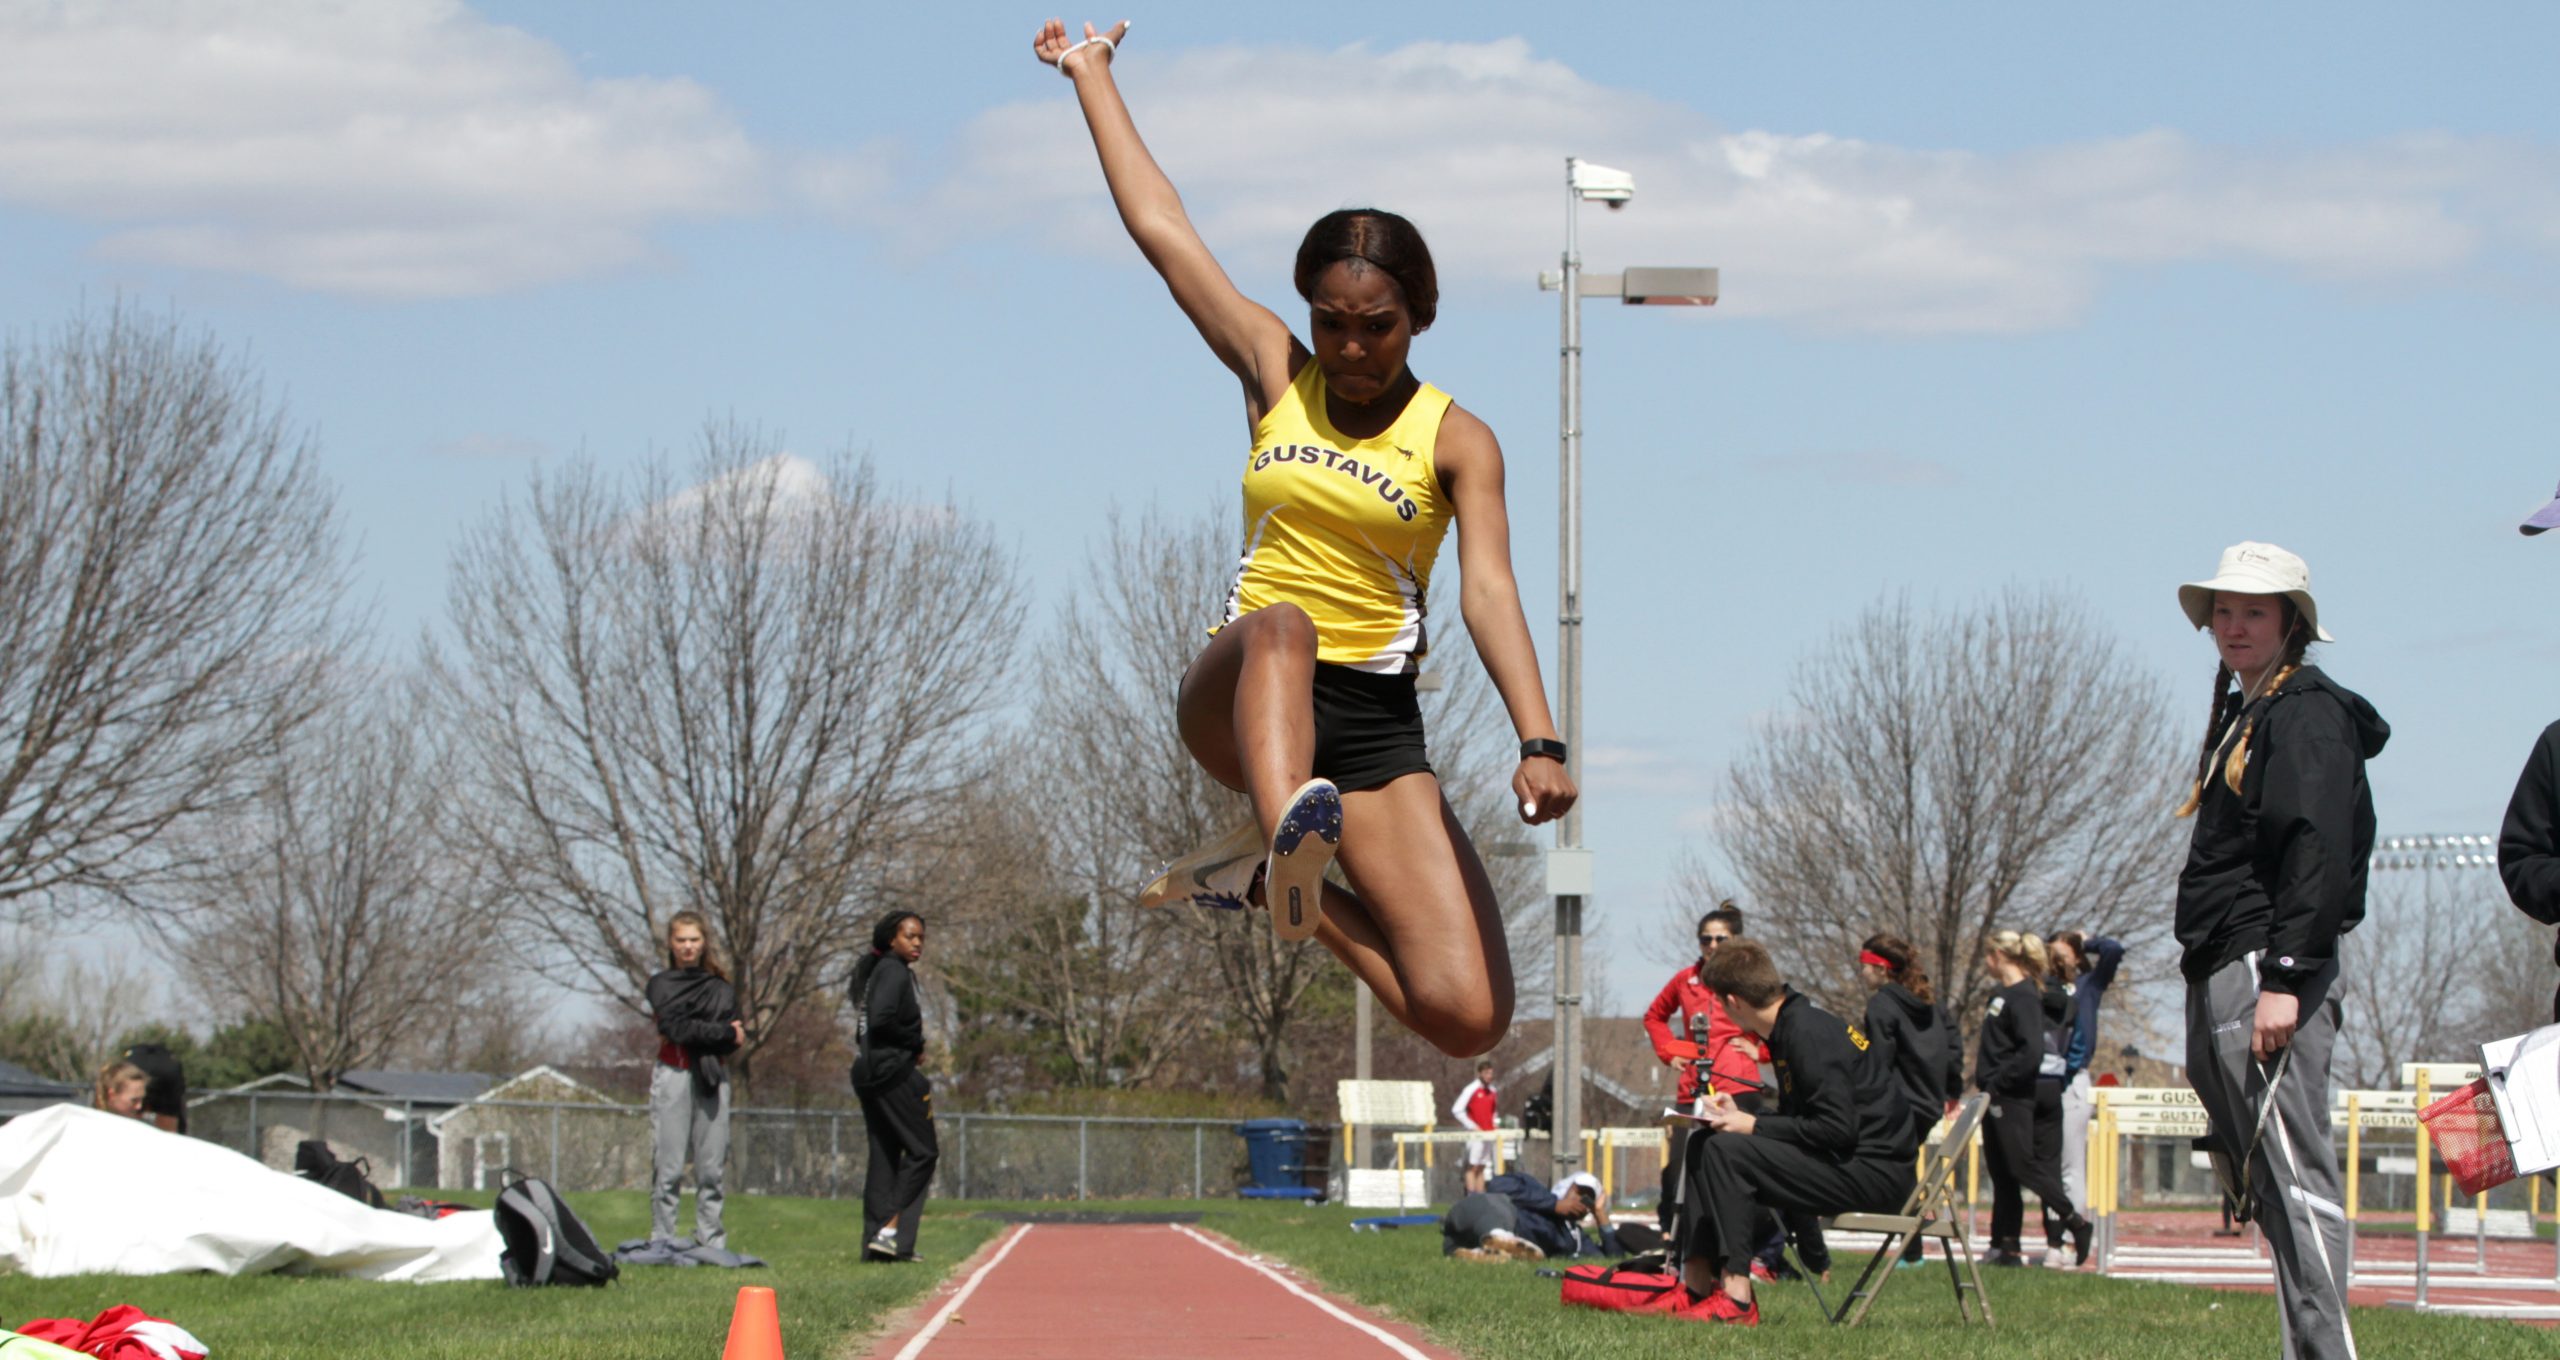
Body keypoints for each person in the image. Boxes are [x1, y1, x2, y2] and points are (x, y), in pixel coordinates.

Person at [1040, 19, 1574, 1060]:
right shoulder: (1275, 373)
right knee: (1283, 622)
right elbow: (1164, 232)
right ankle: (1287, 830)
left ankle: (1271, 880)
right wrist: (1088, 75)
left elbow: (1490, 594)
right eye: (1331, 321)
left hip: (1370, 726)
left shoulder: (1459, 440)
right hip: (1248, 690)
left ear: (1416, 316)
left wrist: (1539, 739)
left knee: (1470, 1014)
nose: (1350, 346)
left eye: (1373, 324)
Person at [2171, 541, 2385, 1360]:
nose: (2232, 625)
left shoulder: (2306, 714)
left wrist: (2286, 976)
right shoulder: (2253, 706)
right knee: (2265, 1180)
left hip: (2266, 962)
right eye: (2223, 610)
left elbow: (2317, 849)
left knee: (2297, 1179)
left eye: (2253, 610)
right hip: (2224, 956)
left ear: (2292, 622)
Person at [1670, 940, 1917, 1327]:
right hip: (1849, 1160)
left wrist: (1753, 1125)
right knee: (1705, 1141)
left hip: (1874, 1172)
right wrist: (1742, 1116)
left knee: (1725, 1151)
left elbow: (1837, 1128)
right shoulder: (1791, 1027)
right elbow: (1812, 1121)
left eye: (1718, 1002)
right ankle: (1696, 1288)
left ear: (1734, 1001)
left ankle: (1736, 1298)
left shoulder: (1807, 1034)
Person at [1641, 904, 1765, 1240]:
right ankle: (1674, 1237)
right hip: (1693, 1088)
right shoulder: (1686, 980)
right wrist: (1670, 1052)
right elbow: (1654, 1016)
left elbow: (1777, 1020)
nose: (1712, 945)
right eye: (1705, 939)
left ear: (1735, 940)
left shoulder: (1747, 979)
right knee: (1679, 1167)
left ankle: (1750, 1241)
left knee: (1736, 1164)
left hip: (1737, 1086)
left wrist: (1761, 1050)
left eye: (1720, 938)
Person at [1973, 929, 2091, 1268]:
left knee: (2023, 1165)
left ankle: (2075, 1223)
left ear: (1999, 955)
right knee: (2002, 1171)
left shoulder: (2024, 995)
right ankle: (2006, 1245)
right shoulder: (2002, 994)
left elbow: (2031, 1050)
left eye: (1988, 955)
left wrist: (1999, 1083)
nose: (1986, 962)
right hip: (1994, 1095)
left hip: (2012, 1096)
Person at [1855, 932, 1957, 1263]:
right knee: (1904, 1170)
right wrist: (1951, 1089)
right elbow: (1952, 1046)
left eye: (1864, 965)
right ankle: (1910, 1248)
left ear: (1882, 969)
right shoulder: (1928, 1003)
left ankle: (1911, 1249)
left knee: (1892, 1171)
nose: (1861, 972)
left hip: (1899, 1106)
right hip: (1928, 1103)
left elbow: (1879, 1063)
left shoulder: (1882, 1005)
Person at [646, 910, 742, 1249]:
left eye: (694, 940)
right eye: (681, 940)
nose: (688, 947)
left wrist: (713, 1033)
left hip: (713, 1077)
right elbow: (674, 1029)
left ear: (704, 944)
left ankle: (710, 1238)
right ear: (671, 944)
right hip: (673, 1074)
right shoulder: (661, 984)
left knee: (711, 1167)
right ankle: (662, 1238)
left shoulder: (720, 986)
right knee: (668, 1166)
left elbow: (734, 1038)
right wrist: (717, 1031)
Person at [852, 910, 936, 1263]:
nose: (917, 943)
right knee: (923, 1152)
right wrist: (915, 1043)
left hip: (872, 1072)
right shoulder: (892, 971)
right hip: (892, 1075)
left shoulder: (881, 971)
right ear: (891, 939)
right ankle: (890, 1231)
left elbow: (868, 1026)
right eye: (909, 936)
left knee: (886, 1155)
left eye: (920, 938)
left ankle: (877, 1245)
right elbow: (883, 1019)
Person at [2046, 932, 2124, 1240]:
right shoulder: (2045, 987)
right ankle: (2054, 1237)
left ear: (2077, 957)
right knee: (2049, 1166)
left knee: (2071, 1164)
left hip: (2073, 1078)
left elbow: (2114, 949)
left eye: (2063, 955)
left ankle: (2070, 1237)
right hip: (2045, 1078)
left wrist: (2086, 940)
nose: (2058, 960)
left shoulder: (2088, 985)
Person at [1441, 1169, 1615, 1262]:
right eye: (1578, 1192)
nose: (1579, 1201)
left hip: (1459, 1246)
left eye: (1587, 1200)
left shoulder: (1574, 1238)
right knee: (1498, 1202)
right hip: (1470, 1218)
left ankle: (1483, 1254)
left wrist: (1601, 1216)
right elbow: (1496, 1186)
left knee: (1508, 1257)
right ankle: (1500, 1238)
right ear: (1566, 1185)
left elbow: (1612, 1259)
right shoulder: (1533, 1186)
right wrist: (1553, 1204)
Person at [1450, 1060, 1499, 1195]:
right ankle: (1471, 1196)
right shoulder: (1471, 1089)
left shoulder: (1493, 1091)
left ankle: (1480, 1197)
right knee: (1473, 1166)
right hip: (1475, 1135)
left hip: (1488, 1134)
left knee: (1482, 1166)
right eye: (1486, 1073)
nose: (1489, 1076)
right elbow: (1457, 1109)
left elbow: (1493, 1112)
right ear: (1480, 1074)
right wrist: (1473, 1126)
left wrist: (1495, 1124)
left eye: (1491, 1073)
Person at [117, 1043, 187, 1134]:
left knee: (132, 1109)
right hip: (168, 1065)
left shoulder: (132, 1059)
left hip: (137, 1062)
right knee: (168, 1127)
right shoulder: (166, 1060)